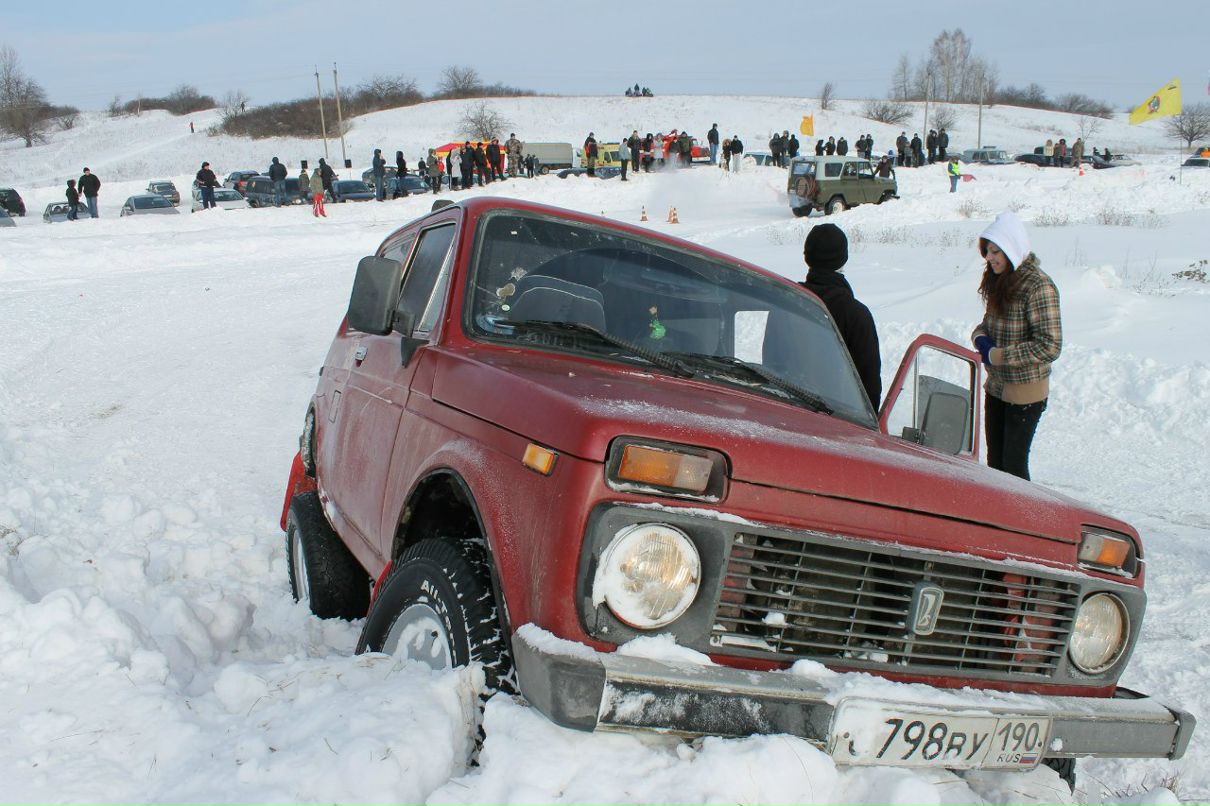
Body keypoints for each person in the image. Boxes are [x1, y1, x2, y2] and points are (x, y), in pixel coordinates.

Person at [970, 212, 1062, 481]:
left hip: (1025, 393)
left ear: (1012, 248)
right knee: (995, 465)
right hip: (996, 388)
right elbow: (987, 324)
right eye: (987, 251)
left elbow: (1050, 345)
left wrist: (998, 355)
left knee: (1013, 469)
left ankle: (1022, 510)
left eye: (995, 251)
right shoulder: (1001, 279)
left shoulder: (1038, 286)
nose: (989, 258)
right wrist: (980, 337)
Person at [801, 223, 881, 410]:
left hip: (786, 413)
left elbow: (773, 364)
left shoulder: (787, 301)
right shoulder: (856, 315)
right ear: (843, 260)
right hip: (837, 420)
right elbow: (869, 391)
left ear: (807, 256)